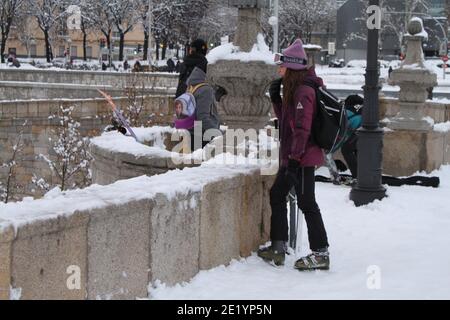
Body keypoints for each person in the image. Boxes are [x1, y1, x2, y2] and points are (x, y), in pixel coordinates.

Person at [257, 39, 330, 271]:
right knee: (278, 195)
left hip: (301, 158)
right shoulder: (295, 90)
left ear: (292, 68)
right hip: (294, 157)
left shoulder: (304, 91)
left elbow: (302, 129)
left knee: (307, 202)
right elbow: (287, 123)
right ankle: (279, 246)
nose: (279, 69)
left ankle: (320, 253)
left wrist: (295, 161)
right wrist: (277, 99)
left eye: (282, 66)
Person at [185, 66, 220, 151]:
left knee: (195, 161)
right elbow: (202, 117)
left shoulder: (191, 87)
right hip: (203, 134)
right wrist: (217, 133)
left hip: (192, 130)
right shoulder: (206, 90)